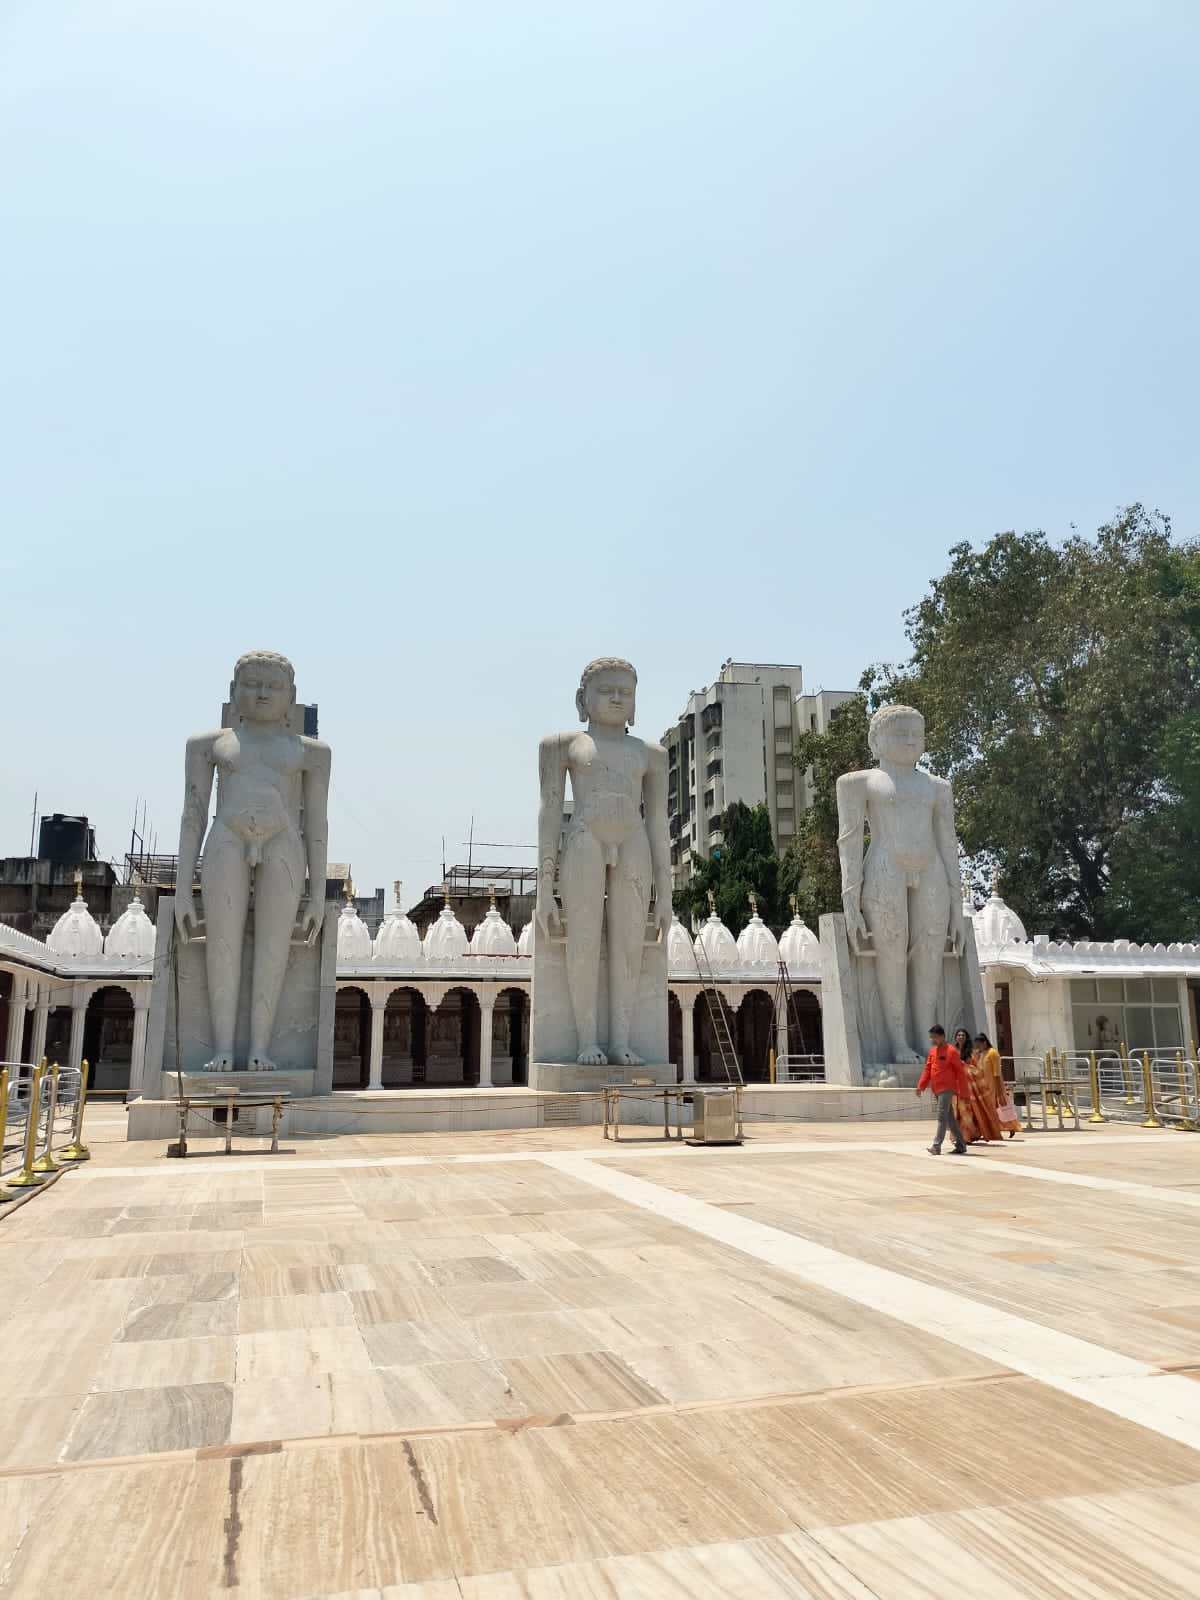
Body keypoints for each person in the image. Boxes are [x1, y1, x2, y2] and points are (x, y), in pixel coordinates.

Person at [175, 651, 330, 1071]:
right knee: (222, 944)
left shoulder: (310, 753)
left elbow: (317, 823)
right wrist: (181, 892)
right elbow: (192, 814)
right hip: (226, 834)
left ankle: (261, 1046)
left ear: (291, 696)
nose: (263, 694)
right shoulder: (209, 746)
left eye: (273, 686)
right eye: (253, 684)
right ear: (233, 691)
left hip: (284, 840)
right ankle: (223, 1047)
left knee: (274, 946)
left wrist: (317, 896)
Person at [536, 658, 672, 1066]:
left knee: (629, 945)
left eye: (625, 692)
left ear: (635, 702)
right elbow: (549, 812)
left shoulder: (650, 754)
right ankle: (586, 1039)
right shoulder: (562, 746)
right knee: (583, 940)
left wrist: (665, 894)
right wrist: (544, 888)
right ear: (583, 699)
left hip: (632, 839)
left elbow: (658, 824)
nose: (616, 698)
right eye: (606, 690)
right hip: (584, 837)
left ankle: (621, 1039)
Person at [836, 706, 967, 1063]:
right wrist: (851, 902)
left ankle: (926, 1038)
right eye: (900, 733)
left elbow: (947, 844)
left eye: (916, 733)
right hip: (884, 866)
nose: (910, 740)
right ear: (875, 740)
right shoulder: (858, 783)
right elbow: (848, 842)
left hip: (932, 869)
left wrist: (958, 907)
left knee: (928, 956)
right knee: (892, 955)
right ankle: (897, 1042)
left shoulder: (937, 787)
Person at [916, 1024, 968, 1154]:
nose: (933, 1040)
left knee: (941, 1117)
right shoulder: (933, 1051)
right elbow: (928, 1070)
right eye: (931, 1038)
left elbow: (960, 1073)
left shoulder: (951, 1051)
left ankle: (936, 1146)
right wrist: (921, 1086)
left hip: (947, 1088)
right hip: (936, 1089)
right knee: (950, 1119)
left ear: (942, 1036)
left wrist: (964, 1092)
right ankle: (961, 1145)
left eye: (935, 1037)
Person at [952, 1027, 1006, 1144]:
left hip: (969, 1087)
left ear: (966, 1038)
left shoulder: (972, 1053)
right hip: (955, 1086)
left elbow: (977, 1069)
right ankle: (957, 1135)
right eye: (958, 1035)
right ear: (955, 1038)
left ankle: (967, 1136)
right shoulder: (952, 1051)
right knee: (957, 1112)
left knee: (967, 1111)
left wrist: (964, 1067)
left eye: (963, 1035)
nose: (960, 1037)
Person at [976, 1032, 1019, 1138]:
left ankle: (1011, 1126)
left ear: (984, 1043)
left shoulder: (993, 1053)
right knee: (988, 1111)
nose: (977, 1047)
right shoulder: (982, 1054)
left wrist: (998, 1091)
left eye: (979, 1044)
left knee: (1000, 1109)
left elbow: (996, 1073)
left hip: (994, 1086)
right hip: (984, 1087)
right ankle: (988, 1131)